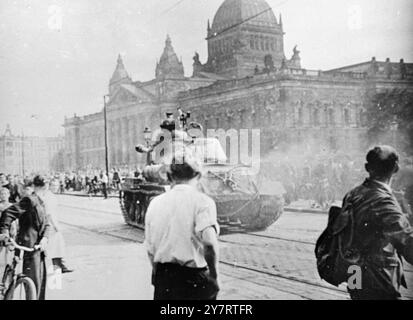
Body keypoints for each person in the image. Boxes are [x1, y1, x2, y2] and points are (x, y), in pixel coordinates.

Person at [144, 152, 220, 300]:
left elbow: (150, 247)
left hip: (164, 277)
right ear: (198, 176)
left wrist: (157, 272)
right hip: (194, 279)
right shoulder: (203, 201)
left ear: (170, 177)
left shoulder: (155, 202)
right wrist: (214, 276)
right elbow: (209, 244)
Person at [341, 146, 413, 300]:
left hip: (354, 271)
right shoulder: (383, 200)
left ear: (367, 168)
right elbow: (406, 241)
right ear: (395, 168)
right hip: (378, 276)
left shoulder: (353, 194)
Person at [0, 176, 50, 300]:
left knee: (40, 282)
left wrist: (45, 238)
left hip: (39, 247)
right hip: (28, 246)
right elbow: (8, 213)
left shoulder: (41, 201)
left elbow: (47, 224)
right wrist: (4, 232)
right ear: (44, 186)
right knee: (33, 282)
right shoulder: (30, 200)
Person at [37, 180, 74, 273]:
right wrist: (55, 225)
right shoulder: (49, 197)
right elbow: (49, 213)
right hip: (51, 224)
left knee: (56, 245)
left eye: (57, 185)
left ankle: (59, 265)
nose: (55, 187)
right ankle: (59, 266)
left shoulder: (50, 196)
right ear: (50, 186)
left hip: (52, 223)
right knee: (56, 245)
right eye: (53, 185)